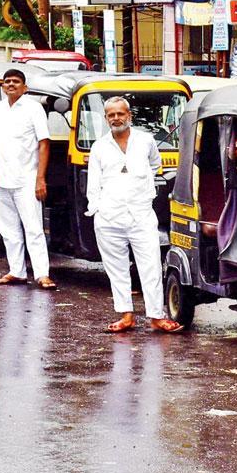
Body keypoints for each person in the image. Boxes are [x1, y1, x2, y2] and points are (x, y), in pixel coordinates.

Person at [86, 96, 182, 333]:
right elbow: (93, 183)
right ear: (106, 118)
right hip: (109, 216)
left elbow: (154, 165)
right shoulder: (99, 146)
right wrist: (97, 208)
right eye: (111, 115)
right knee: (116, 268)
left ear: (129, 116)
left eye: (120, 114)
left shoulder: (145, 140)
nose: (116, 118)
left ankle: (156, 316)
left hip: (140, 213)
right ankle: (125, 315)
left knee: (150, 265)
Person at [0, 68, 55, 289]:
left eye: (15, 81)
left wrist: (40, 178)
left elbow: (44, 143)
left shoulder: (33, 108)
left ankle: (42, 273)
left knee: (33, 228)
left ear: (25, 87)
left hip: (27, 179)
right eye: (7, 81)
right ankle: (16, 271)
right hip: (1, 179)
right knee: (8, 230)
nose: (10, 85)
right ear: (2, 86)